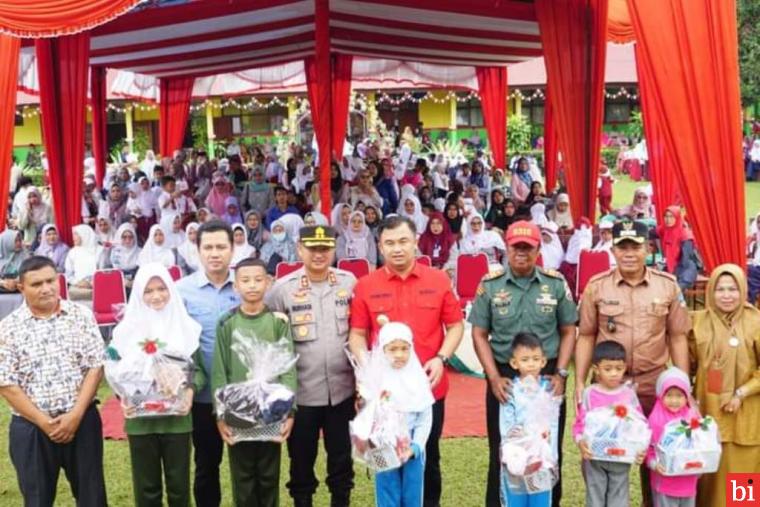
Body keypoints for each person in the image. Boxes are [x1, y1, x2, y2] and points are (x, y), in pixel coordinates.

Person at [349, 216, 464, 507]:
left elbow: (456, 325)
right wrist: (368, 377)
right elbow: (357, 335)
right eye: (389, 243)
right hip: (384, 397)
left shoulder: (437, 280)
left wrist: (441, 358)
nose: (397, 248)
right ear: (380, 246)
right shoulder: (366, 285)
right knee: (385, 459)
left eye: (403, 241)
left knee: (426, 456)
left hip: (427, 390)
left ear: (415, 242)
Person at [576, 219, 691, 506]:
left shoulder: (667, 286)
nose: (629, 253)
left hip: (654, 386)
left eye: (635, 246)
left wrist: (684, 388)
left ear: (648, 248)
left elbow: (677, 337)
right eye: (622, 246)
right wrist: (579, 382)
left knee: (657, 458)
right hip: (608, 389)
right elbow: (586, 335)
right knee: (605, 459)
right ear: (613, 249)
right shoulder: (596, 287)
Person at [469, 220, 577, 507]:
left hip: (548, 378)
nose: (521, 253)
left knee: (548, 449)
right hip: (505, 378)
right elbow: (479, 333)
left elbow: (569, 330)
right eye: (516, 247)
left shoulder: (555, 284)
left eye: (527, 248)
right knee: (504, 449)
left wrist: (562, 373)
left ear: (538, 249)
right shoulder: (490, 286)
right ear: (506, 247)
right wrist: (492, 377)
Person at [0, 256, 107, 506]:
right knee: (37, 499)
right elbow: (6, 383)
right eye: (37, 284)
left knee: (93, 497)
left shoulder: (81, 315)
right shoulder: (7, 329)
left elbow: (95, 367)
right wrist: (45, 423)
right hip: (32, 428)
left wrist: (76, 415)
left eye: (50, 280)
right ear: (21, 288)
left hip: (82, 421)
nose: (46, 288)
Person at [266, 226, 358, 507]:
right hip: (302, 394)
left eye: (325, 249)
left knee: (341, 459)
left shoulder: (349, 283)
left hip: (341, 392)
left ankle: (340, 502)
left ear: (333, 250)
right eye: (312, 248)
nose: (319, 254)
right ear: (299, 250)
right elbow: (270, 341)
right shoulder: (283, 289)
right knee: (301, 460)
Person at [106, 263, 202, 507]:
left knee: (179, 487)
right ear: (138, 293)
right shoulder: (125, 331)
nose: (156, 296)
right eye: (148, 291)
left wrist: (190, 391)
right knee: (146, 487)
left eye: (162, 288)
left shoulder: (186, 327)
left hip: (177, 421)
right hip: (141, 423)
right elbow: (115, 371)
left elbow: (199, 371)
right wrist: (123, 398)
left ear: (171, 289)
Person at [212, 258, 296, 507]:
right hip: (237, 413)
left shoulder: (278, 322)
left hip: (273, 411)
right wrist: (220, 415)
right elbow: (220, 371)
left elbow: (288, 368)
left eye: (258, 280)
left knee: (269, 476)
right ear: (235, 286)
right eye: (245, 280)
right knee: (243, 477)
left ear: (268, 283)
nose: (252, 286)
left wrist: (290, 410)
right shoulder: (226, 323)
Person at [176, 220, 240, 506]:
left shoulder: (247, 283)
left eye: (221, 247)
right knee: (206, 465)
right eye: (208, 247)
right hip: (201, 395)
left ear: (232, 248)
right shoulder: (180, 291)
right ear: (198, 250)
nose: (215, 254)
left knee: (247, 465)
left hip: (243, 392)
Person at [688, 264, 760, 506]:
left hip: (746, 419)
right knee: (708, 482)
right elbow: (686, 366)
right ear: (710, 292)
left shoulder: (755, 321)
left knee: (743, 486)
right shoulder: (696, 322)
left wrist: (742, 392)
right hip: (707, 414)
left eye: (733, 289)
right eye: (720, 289)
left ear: (743, 291)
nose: (727, 295)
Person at [572, 341, 646, 507]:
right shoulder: (589, 394)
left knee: (619, 497)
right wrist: (580, 441)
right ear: (596, 369)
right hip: (595, 457)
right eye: (608, 369)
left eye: (618, 369)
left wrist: (642, 447)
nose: (614, 374)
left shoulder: (628, 395)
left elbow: (639, 424)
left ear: (625, 367)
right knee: (595, 496)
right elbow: (579, 423)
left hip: (620, 455)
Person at [371, 322, 434, 507]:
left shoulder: (418, 378)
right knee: (386, 491)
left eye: (404, 349)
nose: (399, 354)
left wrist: (415, 447)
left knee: (412, 494)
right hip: (382, 446)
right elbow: (369, 416)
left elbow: (425, 418)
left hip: (412, 449)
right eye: (393, 349)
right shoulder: (375, 378)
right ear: (383, 350)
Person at [500, 333, 559, 507]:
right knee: (516, 500)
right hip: (516, 460)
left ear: (543, 361)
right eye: (525, 359)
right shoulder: (511, 390)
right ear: (514, 363)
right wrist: (511, 455)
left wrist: (551, 454)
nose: (531, 364)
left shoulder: (549, 389)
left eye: (535, 359)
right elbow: (507, 426)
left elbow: (553, 423)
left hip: (541, 460)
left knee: (539, 500)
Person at [645, 367, 701, 507]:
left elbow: (700, 445)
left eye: (679, 396)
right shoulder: (656, 419)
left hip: (688, 481)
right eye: (669, 395)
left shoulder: (692, 417)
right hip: (665, 483)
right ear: (661, 395)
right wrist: (654, 464)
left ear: (687, 397)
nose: (674, 401)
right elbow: (648, 449)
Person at [657, 206, 698, 291]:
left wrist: (672, 273)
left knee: (676, 287)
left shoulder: (685, 235)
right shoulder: (665, 229)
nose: (668, 219)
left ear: (677, 217)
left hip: (684, 267)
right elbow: (652, 232)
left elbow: (685, 260)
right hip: (669, 265)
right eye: (666, 216)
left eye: (671, 216)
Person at [65, 225, 101, 299]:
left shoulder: (100, 251)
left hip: (98, 287)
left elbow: (104, 272)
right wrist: (77, 283)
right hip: (78, 288)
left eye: (76, 234)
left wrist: (91, 283)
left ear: (84, 234)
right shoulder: (72, 252)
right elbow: (68, 274)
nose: (73, 237)